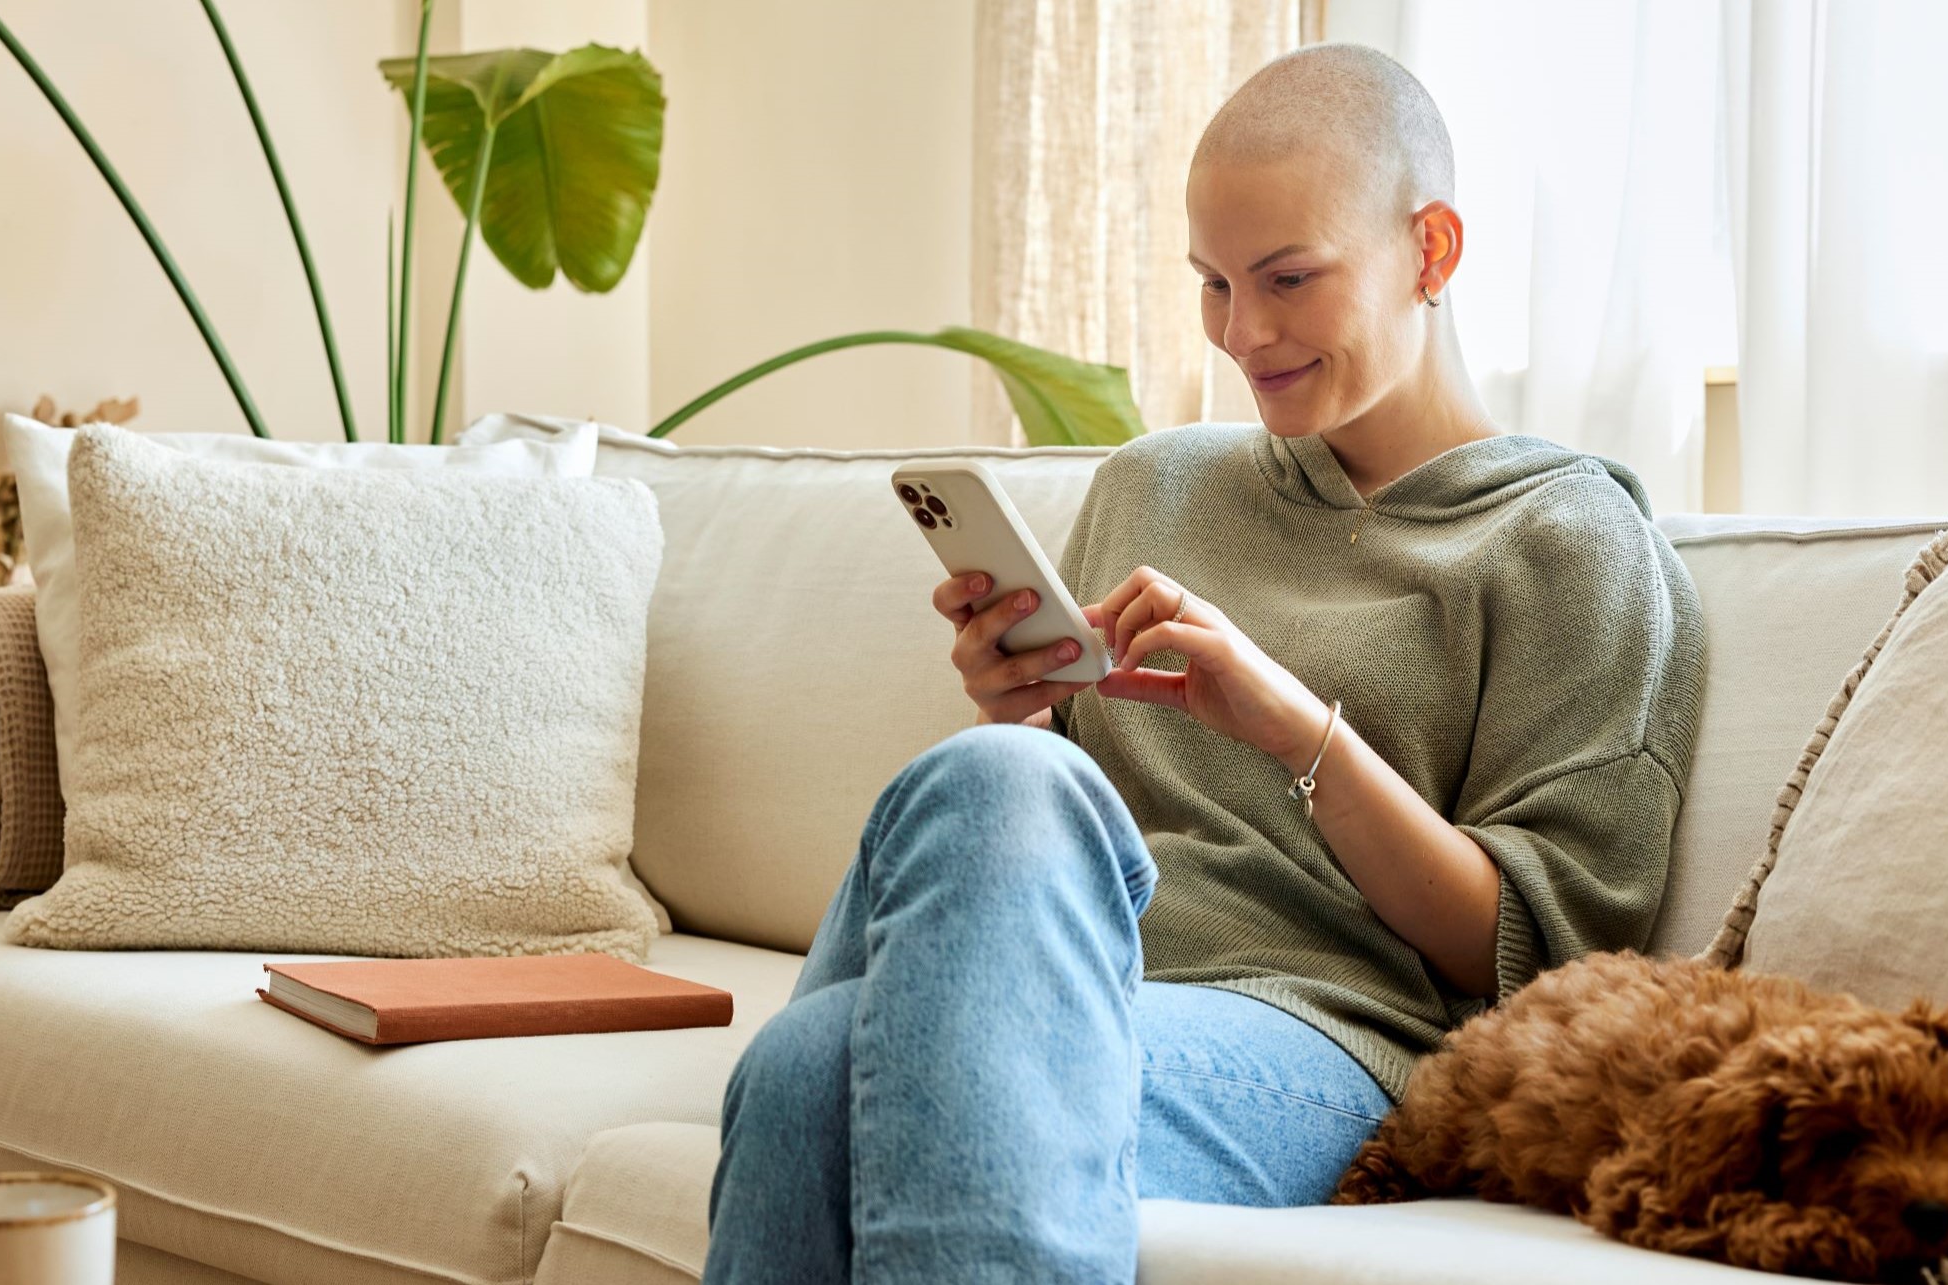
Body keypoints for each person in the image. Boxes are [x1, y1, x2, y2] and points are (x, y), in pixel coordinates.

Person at [703, 43, 1704, 1284]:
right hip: (1063, 972)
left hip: (1322, 1039)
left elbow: (1546, 955)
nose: (1246, 331)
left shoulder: (1571, 543)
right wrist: (1018, 708)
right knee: (987, 790)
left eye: (1288, 278)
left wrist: (1299, 729)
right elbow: (1038, 861)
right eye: (1214, 284)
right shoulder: (1153, 483)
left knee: (813, 1067)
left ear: (1432, 252)